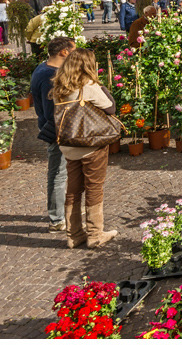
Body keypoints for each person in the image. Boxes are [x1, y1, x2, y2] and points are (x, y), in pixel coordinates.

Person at [50, 47, 119, 248]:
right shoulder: (87, 86)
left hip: (69, 146)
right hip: (91, 144)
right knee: (94, 187)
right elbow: (111, 107)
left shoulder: (59, 88)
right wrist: (101, 86)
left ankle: (74, 235)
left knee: (73, 189)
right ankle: (95, 234)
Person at [31, 36, 75, 231]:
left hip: (54, 128)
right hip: (57, 131)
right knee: (58, 173)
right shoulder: (50, 76)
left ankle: (62, 212)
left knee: (62, 172)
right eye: (73, 50)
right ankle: (57, 219)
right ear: (64, 52)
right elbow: (53, 112)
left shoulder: (43, 68)